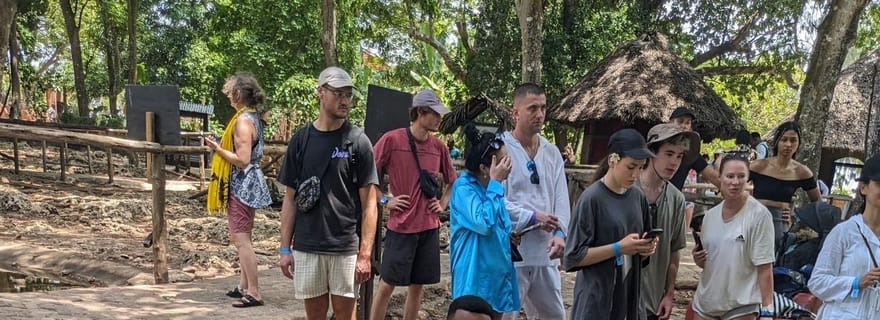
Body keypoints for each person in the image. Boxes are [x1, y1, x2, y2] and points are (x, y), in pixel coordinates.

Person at [276, 67, 379, 320]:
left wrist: (365, 254)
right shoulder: (301, 140)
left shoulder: (358, 141)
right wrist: (284, 249)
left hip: (344, 246)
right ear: (320, 92)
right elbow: (290, 199)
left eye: (349, 95)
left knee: (346, 314)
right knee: (315, 315)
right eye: (338, 93)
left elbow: (370, 204)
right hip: (308, 244)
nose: (345, 100)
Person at [370, 89, 457, 320]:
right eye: (435, 114)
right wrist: (385, 200)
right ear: (420, 112)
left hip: (428, 228)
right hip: (401, 227)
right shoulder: (392, 139)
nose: (440, 119)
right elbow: (365, 175)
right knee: (386, 285)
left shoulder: (439, 148)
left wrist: (442, 204)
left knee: (418, 285)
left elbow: (452, 181)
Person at [564, 128, 658, 320]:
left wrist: (645, 248)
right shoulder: (591, 199)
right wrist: (618, 248)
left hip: (628, 298)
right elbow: (573, 257)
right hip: (597, 300)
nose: (636, 174)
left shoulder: (638, 197)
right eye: (631, 167)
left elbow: (640, 248)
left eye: (641, 167)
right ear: (612, 161)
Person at [499, 83, 569, 320]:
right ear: (515, 112)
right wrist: (532, 216)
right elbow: (495, 201)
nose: (539, 114)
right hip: (512, 252)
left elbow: (561, 198)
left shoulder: (551, 152)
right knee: (505, 315)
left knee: (554, 315)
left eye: (543, 108)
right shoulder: (501, 149)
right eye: (532, 108)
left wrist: (560, 233)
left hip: (545, 253)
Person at [204, 72, 272, 308]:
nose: (229, 97)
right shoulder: (252, 117)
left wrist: (216, 148)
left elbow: (242, 159)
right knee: (243, 235)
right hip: (246, 184)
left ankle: (254, 291)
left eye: (231, 93)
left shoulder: (243, 122)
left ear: (238, 94)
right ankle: (244, 286)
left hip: (241, 184)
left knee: (241, 238)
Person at [692, 154, 775, 320]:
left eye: (741, 176)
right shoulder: (710, 216)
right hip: (706, 303)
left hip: (741, 305)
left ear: (748, 179)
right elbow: (711, 260)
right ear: (720, 177)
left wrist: (768, 310)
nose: (735, 182)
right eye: (730, 176)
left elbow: (765, 267)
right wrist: (698, 259)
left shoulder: (759, 215)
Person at [449, 124, 519, 315]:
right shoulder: (464, 189)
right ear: (484, 168)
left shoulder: (490, 187)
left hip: (496, 279)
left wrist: (508, 236)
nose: (508, 166)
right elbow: (483, 223)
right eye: (503, 162)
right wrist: (495, 184)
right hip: (474, 279)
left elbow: (497, 224)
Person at [807, 154, 880, 320]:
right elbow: (817, 282)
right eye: (879, 184)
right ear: (863, 188)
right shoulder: (844, 232)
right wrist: (856, 282)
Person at [639, 124, 699, 320]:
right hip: (618, 297)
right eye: (669, 153)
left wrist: (669, 294)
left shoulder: (676, 198)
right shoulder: (627, 189)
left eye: (680, 156)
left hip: (653, 301)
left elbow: (674, 251)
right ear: (651, 152)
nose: (674, 162)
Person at [749, 121, 822, 249]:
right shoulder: (759, 165)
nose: (788, 145)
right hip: (753, 219)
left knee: (772, 264)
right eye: (784, 139)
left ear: (799, 144)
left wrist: (796, 216)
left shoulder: (802, 172)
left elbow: (817, 202)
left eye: (793, 140)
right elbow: (734, 187)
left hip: (779, 224)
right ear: (777, 141)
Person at [667, 107, 720, 230]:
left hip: (672, 207)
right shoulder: (656, 145)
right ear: (669, 123)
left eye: (688, 123)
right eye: (680, 121)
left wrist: (735, 192)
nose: (684, 126)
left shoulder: (691, 153)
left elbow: (713, 176)